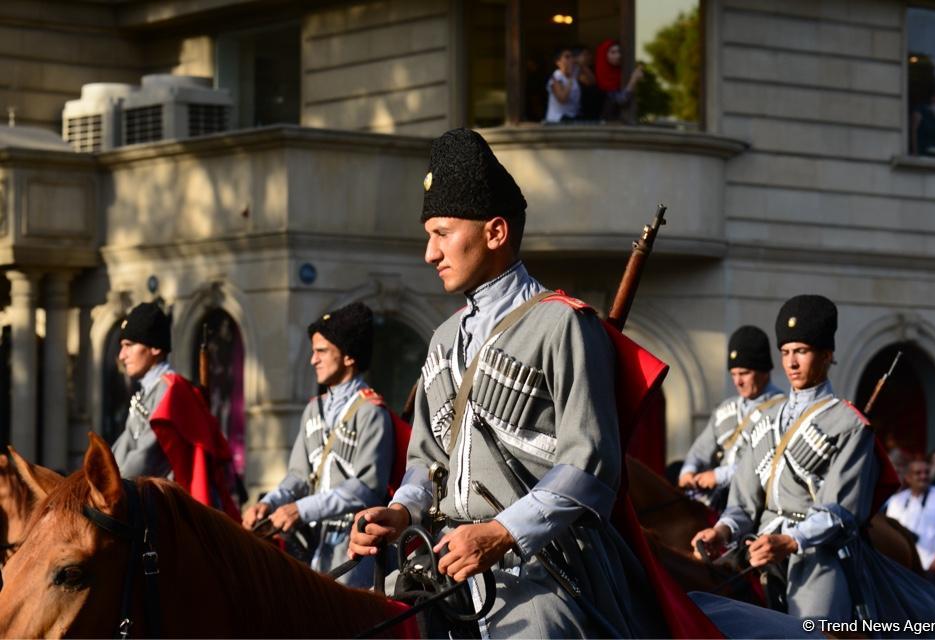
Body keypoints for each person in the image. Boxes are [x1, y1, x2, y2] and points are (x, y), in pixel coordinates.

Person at [348, 128, 683, 637]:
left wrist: (502, 532)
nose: (429, 253)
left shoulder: (562, 324)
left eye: (441, 233)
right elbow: (424, 461)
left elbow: (590, 465)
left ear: (496, 232)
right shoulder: (442, 339)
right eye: (428, 236)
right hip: (445, 560)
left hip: (547, 567)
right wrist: (400, 509)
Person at [692, 295, 935, 626]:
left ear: (827, 355)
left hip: (817, 558)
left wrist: (790, 541)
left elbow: (841, 511)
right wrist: (722, 531)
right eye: (786, 352)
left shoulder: (849, 424)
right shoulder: (766, 419)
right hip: (759, 554)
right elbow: (742, 504)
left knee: (815, 632)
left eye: (801, 351)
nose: (791, 363)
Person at [241, 302, 394, 587]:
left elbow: (366, 489)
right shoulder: (314, 409)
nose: (313, 360)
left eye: (321, 351)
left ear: (349, 356)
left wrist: (302, 509)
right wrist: (269, 503)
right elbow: (299, 476)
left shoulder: (371, 411)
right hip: (312, 548)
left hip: (355, 551)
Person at [111, 302, 239, 519]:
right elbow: (123, 446)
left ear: (155, 348)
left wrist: (109, 484)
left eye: (128, 345)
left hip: (171, 513)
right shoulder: (148, 392)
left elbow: (145, 459)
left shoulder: (172, 391)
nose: (122, 355)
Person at [678, 325, 784, 511]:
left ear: (764, 371)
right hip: (716, 504)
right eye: (733, 374)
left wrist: (720, 476)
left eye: (744, 373)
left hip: (755, 507)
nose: (738, 381)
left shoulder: (783, 410)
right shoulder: (727, 408)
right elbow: (700, 450)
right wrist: (689, 471)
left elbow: (768, 466)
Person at [886, 459, 935, 594]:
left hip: (933, 566)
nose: (923, 476)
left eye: (926, 472)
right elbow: (891, 535)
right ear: (908, 477)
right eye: (918, 473)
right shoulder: (896, 501)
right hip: (906, 569)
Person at [594, 39, 644, 123]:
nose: (618, 55)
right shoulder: (601, 75)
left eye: (619, 52)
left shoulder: (621, 72)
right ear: (604, 55)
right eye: (613, 52)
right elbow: (621, 100)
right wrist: (633, 80)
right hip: (605, 126)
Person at [911, 84, 935, 156]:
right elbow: (914, 131)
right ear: (931, 96)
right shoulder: (920, 110)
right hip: (923, 155)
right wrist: (915, 153)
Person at [544, 47, 580, 123]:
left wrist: (581, 65)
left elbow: (591, 81)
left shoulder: (575, 74)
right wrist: (570, 78)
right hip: (557, 120)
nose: (571, 60)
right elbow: (562, 98)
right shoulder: (556, 77)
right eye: (567, 57)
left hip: (572, 117)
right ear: (558, 62)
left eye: (572, 57)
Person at [574, 45, 602, 121]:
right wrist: (581, 65)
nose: (589, 57)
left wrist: (583, 66)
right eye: (586, 54)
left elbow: (593, 82)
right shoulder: (573, 71)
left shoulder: (589, 69)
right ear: (576, 57)